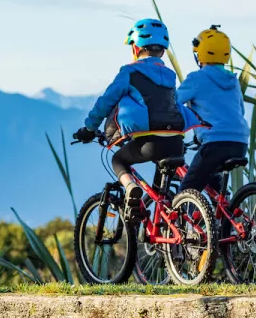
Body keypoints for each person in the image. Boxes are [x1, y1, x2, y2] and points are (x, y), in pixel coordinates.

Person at [74, 18, 198, 223]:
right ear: (163, 51)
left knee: (118, 160)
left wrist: (89, 128)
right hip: (176, 142)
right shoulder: (170, 75)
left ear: (135, 47)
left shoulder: (129, 73)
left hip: (148, 143)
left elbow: (106, 102)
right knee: (161, 196)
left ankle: (131, 188)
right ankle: (166, 230)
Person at [178, 25, 249, 193]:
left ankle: (185, 217)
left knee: (188, 190)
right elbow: (240, 111)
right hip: (240, 143)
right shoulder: (233, 81)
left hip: (215, 144)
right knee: (216, 189)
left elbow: (172, 104)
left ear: (199, 54)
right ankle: (225, 216)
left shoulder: (196, 78)